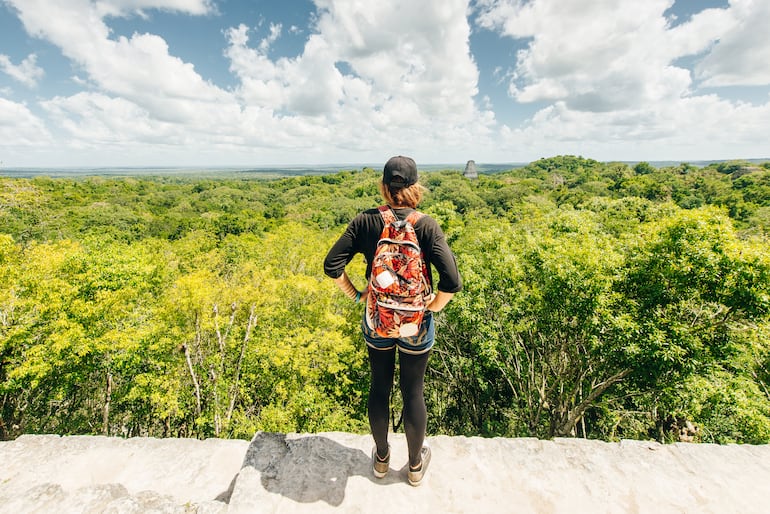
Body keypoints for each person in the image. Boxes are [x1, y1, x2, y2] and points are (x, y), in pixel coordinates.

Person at [324, 155, 462, 486]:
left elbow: (332, 265)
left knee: (379, 387)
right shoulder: (426, 225)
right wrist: (434, 306)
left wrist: (358, 294)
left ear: (384, 187)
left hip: (378, 320)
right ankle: (414, 467)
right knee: (413, 392)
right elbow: (452, 281)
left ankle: (382, 460)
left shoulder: (365, 221)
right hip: (415, 323)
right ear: (415, 188)